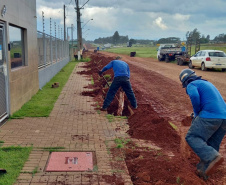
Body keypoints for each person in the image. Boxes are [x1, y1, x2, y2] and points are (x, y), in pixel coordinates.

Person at [179, 68, 226, 179]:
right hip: (224, 118)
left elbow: (194, 96)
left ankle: (212, 157)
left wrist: (196, 114)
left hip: (210, 116)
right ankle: (203, 173)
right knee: (212, 144)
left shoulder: (191, 84)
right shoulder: (206, 83)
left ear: (185, 82)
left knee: (192, 137)